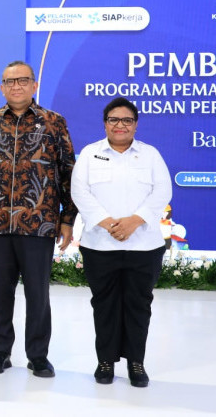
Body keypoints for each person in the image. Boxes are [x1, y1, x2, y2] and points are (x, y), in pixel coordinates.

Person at [0, 60, 77, 378]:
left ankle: (38, 356)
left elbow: (68, 173)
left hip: (39, 223)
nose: (16, 86)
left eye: (22, 80)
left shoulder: (54, 122)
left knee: (37, 294)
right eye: (10, 81)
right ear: (2, 87)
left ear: (34, 85)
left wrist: (67, 219)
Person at [71, 97, 171, 388]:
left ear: (135, 125)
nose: (120, 125)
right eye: (114, 120)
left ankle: (136, 363)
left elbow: (163, 191)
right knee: (104, 305)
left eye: (127, 120)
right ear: (105, 124)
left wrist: (134, 221)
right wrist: (108, 223)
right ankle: (105, 361)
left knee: (139, 305)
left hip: (144, 246)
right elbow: (80, 192)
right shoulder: (90, 154)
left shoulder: (150, 155)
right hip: (100, 246)